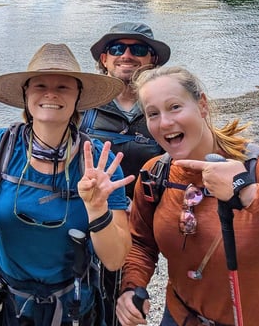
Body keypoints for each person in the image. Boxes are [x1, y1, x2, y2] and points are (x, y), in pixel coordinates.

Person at [116, 66, 259, 326]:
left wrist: (250, 193)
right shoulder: (156, 173)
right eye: (153, 114)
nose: (165, 122)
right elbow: (142, 242)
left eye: (175, 107)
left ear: (202, 105)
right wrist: (132, 286)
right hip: (179, 317)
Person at [0, 43, 133, 326]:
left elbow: (115, 259)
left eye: (63, 87)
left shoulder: (99, 163)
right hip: (6, 304)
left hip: (73, 307)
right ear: (26, 95)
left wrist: (97, 209)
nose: (51, 93)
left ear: (78, 98)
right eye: (40, 85)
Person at [80, 22, 170, 326]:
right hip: (89, 224)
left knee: (123, 304)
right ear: (104, 59)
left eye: (138, 49)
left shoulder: (164, 109)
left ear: (152, 60)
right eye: (117, 48)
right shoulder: (82, 106)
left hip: (141, 232)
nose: (127, 55)